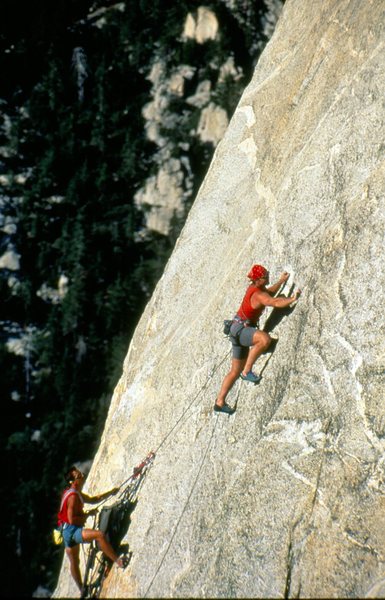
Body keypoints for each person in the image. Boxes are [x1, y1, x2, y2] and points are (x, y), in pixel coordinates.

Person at [214, 264, 301, 414]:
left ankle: (220, 402)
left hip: (236, 329)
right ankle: (247, 371)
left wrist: (281, 282)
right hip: (242, 331)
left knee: (234, 371)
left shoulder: (256, 289)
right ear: (258, 280)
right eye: (265, 276)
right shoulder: (258, 294)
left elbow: (269, 294)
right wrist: (292, 299)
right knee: (264, 340)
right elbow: (273, 302)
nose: (268, 277)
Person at [57, 466, 124, 592]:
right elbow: (72, 520)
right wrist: (87, 515)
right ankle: (117, 561)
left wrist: (110, 492)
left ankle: (82, 589)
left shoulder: (74, 492)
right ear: (74, 481)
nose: (82, 475)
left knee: (74, 561)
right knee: (99, 535)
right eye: (79, 475)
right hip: (72, 530)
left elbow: (93, 499)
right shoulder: (73, 497)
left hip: (65, 531)